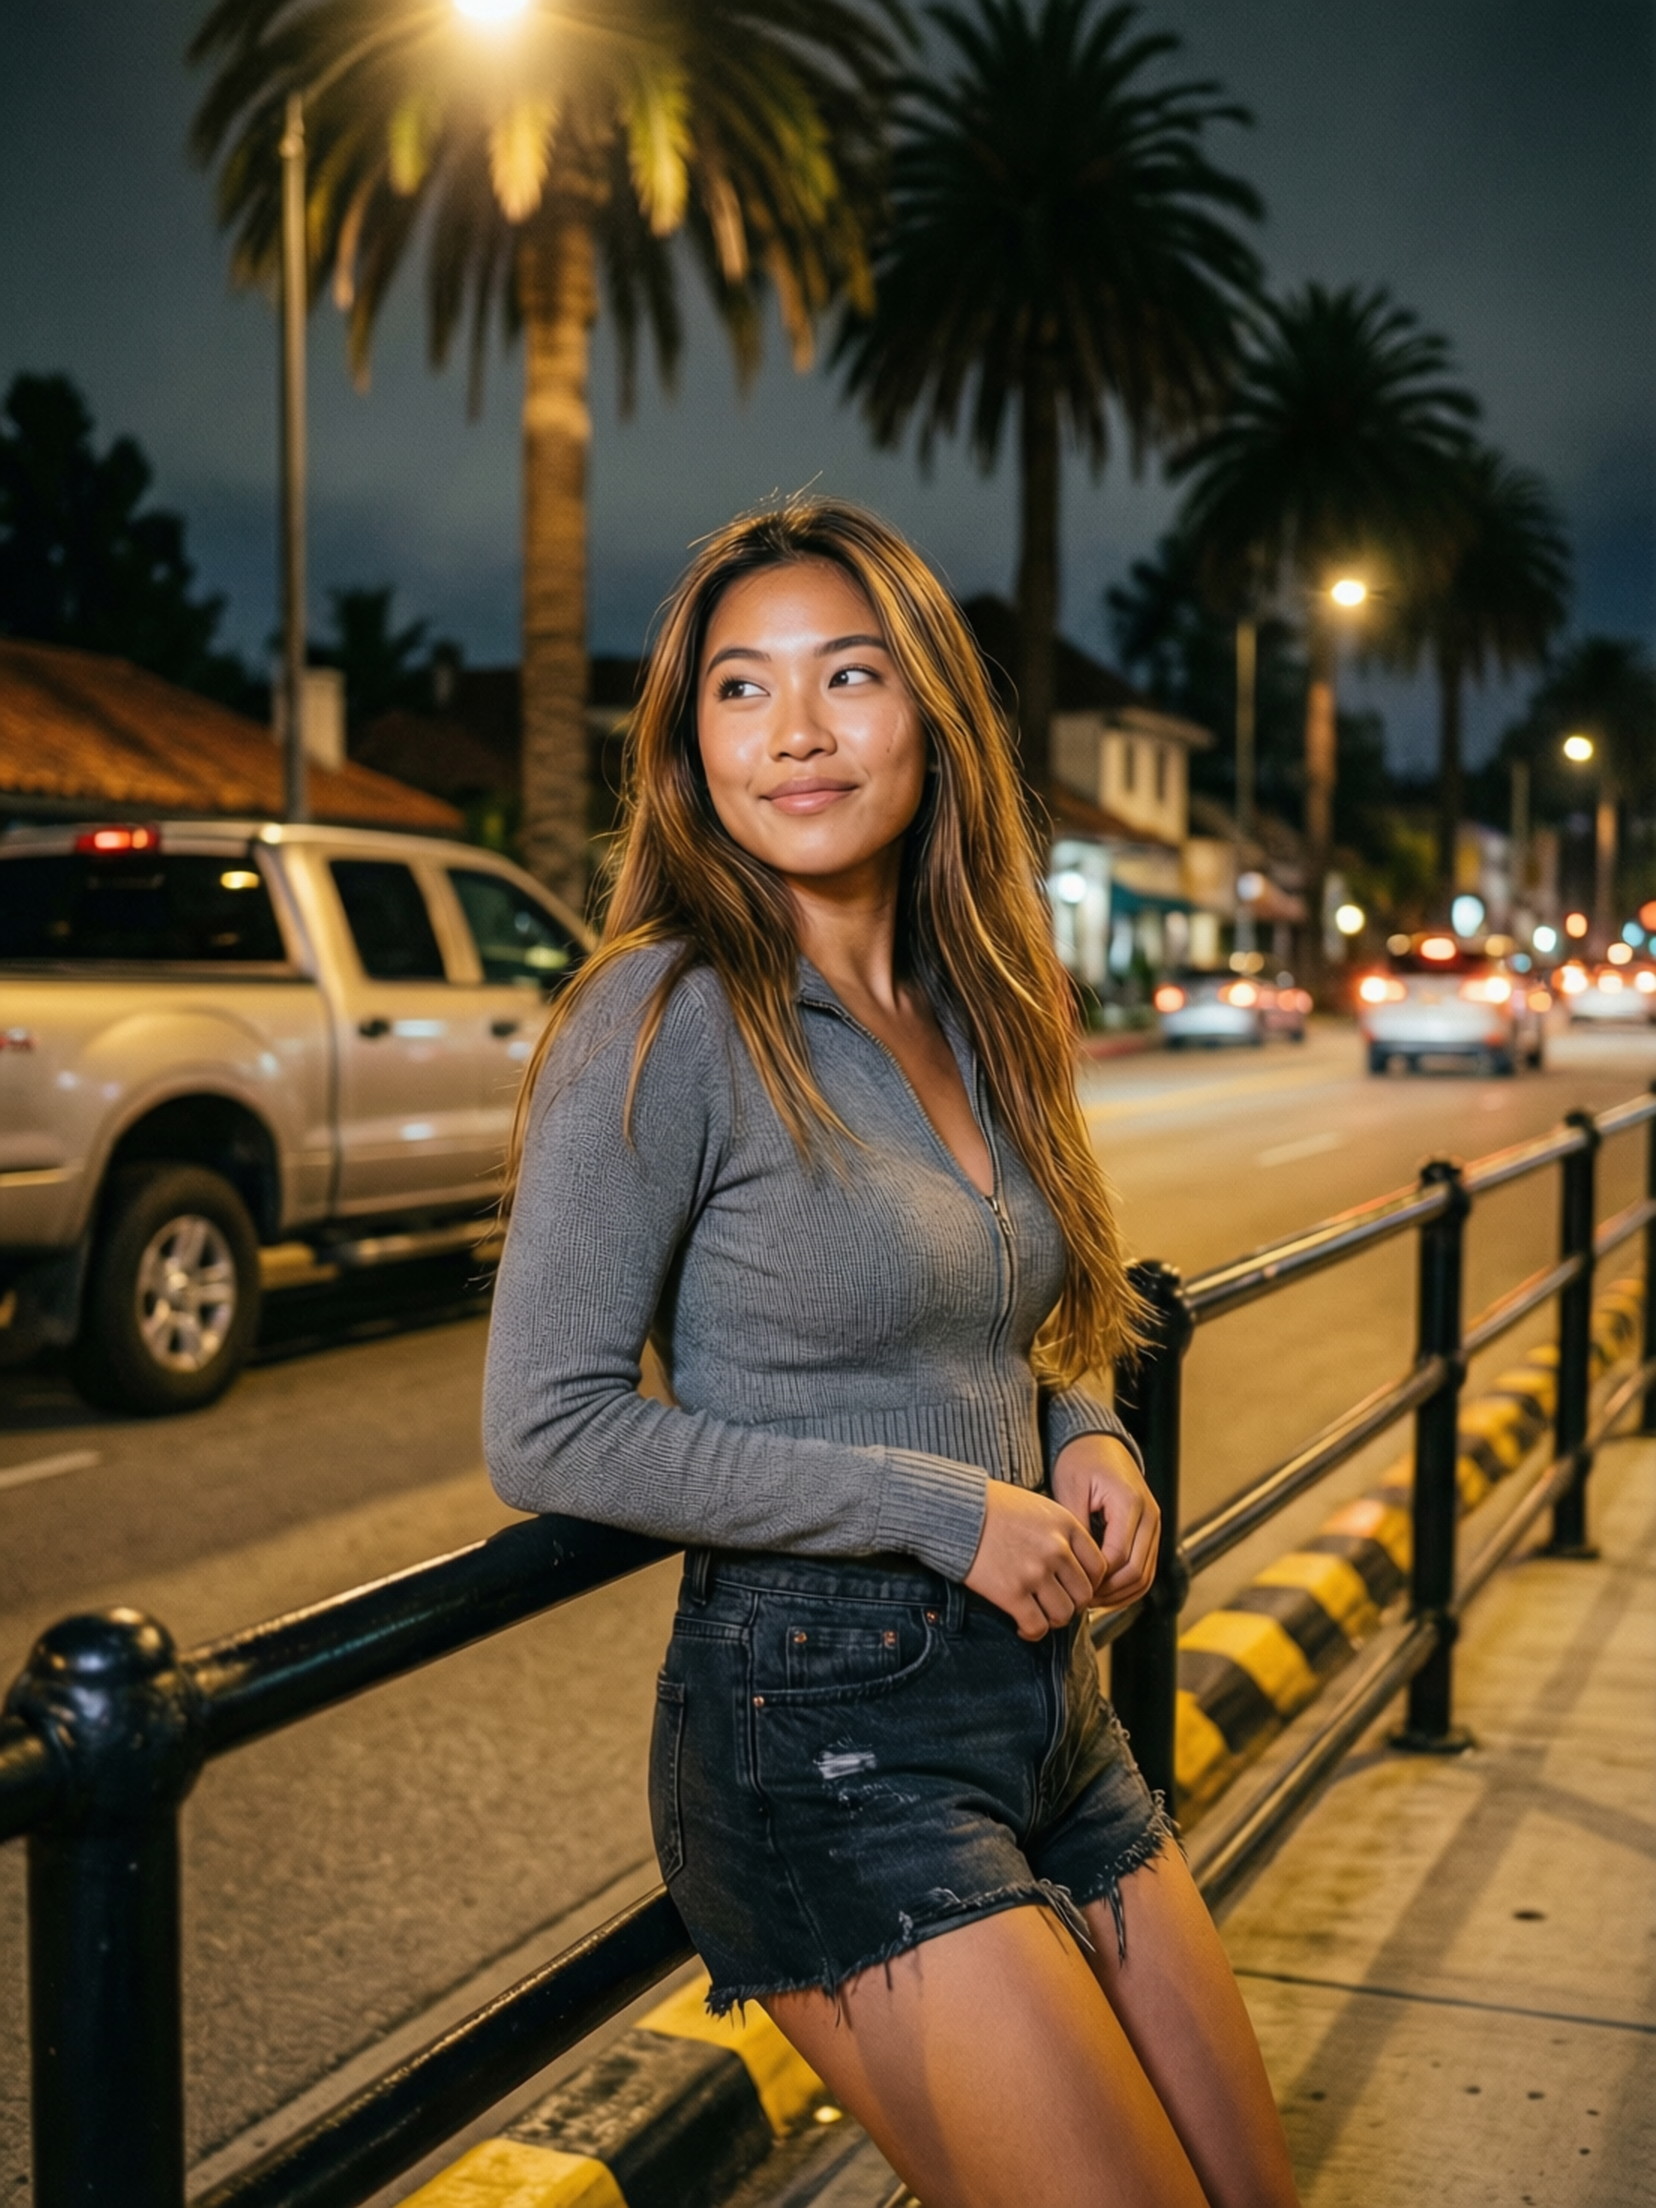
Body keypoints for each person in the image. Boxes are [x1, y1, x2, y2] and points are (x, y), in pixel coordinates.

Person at [484, 499, 1299, 2208]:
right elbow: (549, 1432)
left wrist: (1092, 1436)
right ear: (686, 738)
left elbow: (1034, 1303)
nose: (792, 731)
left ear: (932, 713)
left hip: (1053, 1716)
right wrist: (941, 1508)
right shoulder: (667, 1014)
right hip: (824, 1735)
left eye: (848, 676)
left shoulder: (978, 996)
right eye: (738, 688)